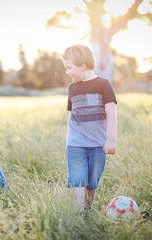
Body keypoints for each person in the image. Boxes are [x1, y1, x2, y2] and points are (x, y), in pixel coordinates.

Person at [61, 44, 117, 213]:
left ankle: (87, 211)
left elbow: (111, 112)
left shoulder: (103, 84)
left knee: (92, 182)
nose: (67, 72)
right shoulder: (72, 88)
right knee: (78, 179)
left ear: (82, 66)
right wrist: (67, 141)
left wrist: (111, 139)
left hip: (98, 144)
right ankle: (79, 212)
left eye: (69, 67)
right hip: (76, 143)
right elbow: (72, 117)